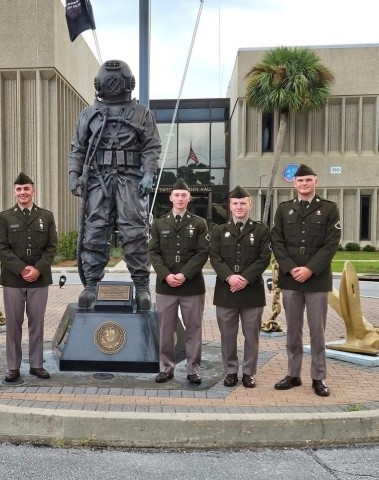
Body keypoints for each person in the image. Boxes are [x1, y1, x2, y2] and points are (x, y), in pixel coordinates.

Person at [68, 59, 161, 310]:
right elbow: (78, 149)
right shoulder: (89, 114)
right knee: (95, 232)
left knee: (135, 233)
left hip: (130, 179)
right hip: (98, 179)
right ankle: (91, 284)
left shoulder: (142, 114)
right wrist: (74, 176)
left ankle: (141, 286)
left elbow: (151, 147)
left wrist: (149, 173)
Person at [271, 164, 341, 397]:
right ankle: (293, 374)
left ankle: (318, 377)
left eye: (308, 180)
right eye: (300, 181)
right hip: (291, 279)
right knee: (293, 330)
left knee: (317, 331)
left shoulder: (329, 209)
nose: (304, 184)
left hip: (317, 279)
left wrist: (310, 269)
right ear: (294, 184)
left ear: (316, 182)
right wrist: (291, 269)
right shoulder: (283, 209)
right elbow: (277, 243)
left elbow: (331, 244)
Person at [0, 172, 57, 382]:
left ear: (33, 191)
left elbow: (51, 247)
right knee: (13, 324)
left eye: (26, 189)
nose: (23, 193)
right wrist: (21, 269)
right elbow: (1, 248)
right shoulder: (5, 217)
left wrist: (38, 269)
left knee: (37, 324)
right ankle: (13, 367)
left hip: (39, 279)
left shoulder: (46, 216)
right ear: (15, 192)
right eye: (19, 189)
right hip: (13, 279)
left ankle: (36, 365)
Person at [209, 186, 271, 388]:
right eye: (235, 203)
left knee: (251, 335)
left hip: (251, 291)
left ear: (250, 204)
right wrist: (230, 277)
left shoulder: (261, 230)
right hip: (226, 291)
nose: (239, 207)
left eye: (243, 203)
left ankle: (248, 372)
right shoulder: (219, 230)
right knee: (227, 335)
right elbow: (215, 258)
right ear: (230, 206)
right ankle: (230, 371)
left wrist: (244, 278)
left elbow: (264, 259)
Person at [149, 179, 209, 384]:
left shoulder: (199, 223)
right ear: (171, 197)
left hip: (191, 285)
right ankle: (166, 368)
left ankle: (193, 369)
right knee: (166, 329)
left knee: (193, 328)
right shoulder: (159, 223)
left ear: (189, 198)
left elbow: (202, 253)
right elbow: (153, 253)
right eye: (177, 195)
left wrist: (184, 274)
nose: (180, 198)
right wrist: (166, 275)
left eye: (184, 195)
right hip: (166, 286)